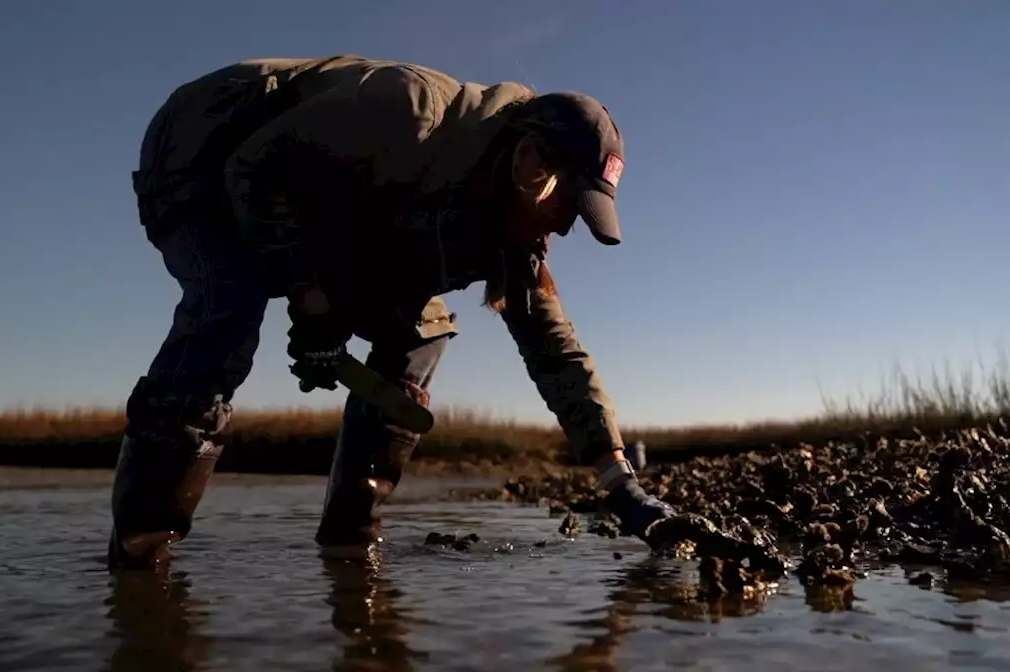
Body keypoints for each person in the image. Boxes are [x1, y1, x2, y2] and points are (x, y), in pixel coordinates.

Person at [110, 53, 677, 571]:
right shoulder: (407, 111)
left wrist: (622, 484)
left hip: (328, 203)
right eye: (566, 205)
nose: (563, 226)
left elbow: (557, 354)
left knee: (423, 331)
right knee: (229, 303)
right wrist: (310, 298)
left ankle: (349, 543)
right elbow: (252, 172)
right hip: (204, 149)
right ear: (531, 162)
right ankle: (141, 553)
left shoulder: (515, 237)